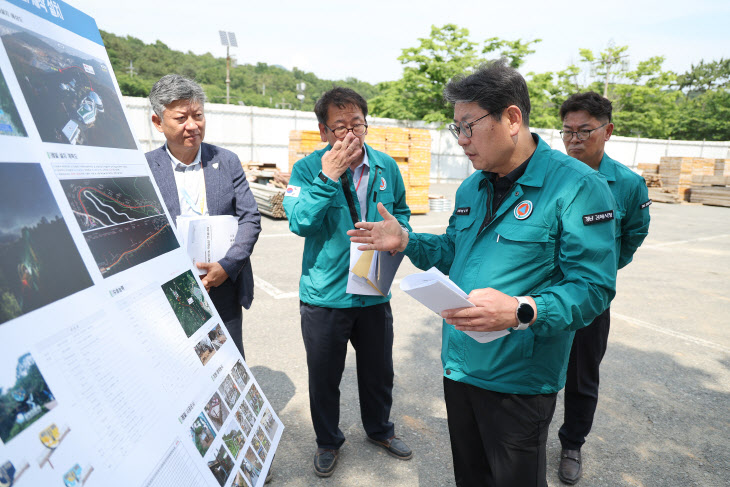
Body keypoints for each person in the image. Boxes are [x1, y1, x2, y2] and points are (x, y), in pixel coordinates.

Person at [348, 61, 618, 487]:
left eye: (468, 126)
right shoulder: (472, 186)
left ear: (512, 119)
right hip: (460, 365)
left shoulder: (577, 186)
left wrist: (522, 310)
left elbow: (593, 287)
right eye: (455, 129)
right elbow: (455, 250)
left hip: (518, 378)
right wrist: (406, 241)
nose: (461, 141)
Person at [283, 87, 413, 478]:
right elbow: (299, 221)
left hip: (373, 286)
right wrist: (329, 176)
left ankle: (380, 430)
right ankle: (327, 441)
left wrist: (397, 231)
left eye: (358, 123)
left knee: (379, 370)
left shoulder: (386, 166)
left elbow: (403, 213)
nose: (351, 134)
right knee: (324, 376)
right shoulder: (307, 169)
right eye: (340, 127)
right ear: (323, 131)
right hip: (325, 295)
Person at [556, 92, 651, 485]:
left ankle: (572, 443)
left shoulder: (627, 184)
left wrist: (603, 271)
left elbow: (634, 234)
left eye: (584, 131)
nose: (574, 140)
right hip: (540, 292)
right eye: (567, 132)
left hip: (589, 299)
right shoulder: (551, 175)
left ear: (607, 131)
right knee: (528, 365)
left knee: (582, 374)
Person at [146, 74, 261, 359]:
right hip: (172, 288)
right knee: (182, 366)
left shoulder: (227, 161)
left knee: (228, 363)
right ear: (158, 122)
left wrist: (227, 265)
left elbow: (251, 219)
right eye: (181, 118)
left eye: (198, 115)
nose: (193, 125)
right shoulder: (145, 168)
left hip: (223, 283)